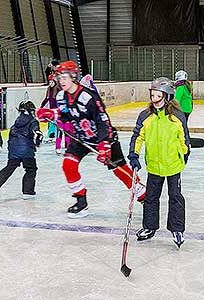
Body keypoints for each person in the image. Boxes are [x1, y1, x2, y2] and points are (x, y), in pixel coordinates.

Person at [36, 60, 146, 218]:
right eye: (59, 78)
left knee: (119, 170)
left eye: (64, 77)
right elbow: (66, 115)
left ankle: (143, 196)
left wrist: (104, 144)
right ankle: (81, 202)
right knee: (68, 164)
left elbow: (103, 121)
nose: (61, 81)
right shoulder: (61, 96)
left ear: (73, 77)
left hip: (103, 138)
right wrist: (51, 114)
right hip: (81, 138)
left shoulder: (88, 97)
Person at [128, 77, 190, 248]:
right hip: (154, 165)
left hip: (173, 165)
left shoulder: (177, 116)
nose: (154, 100)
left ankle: (177, 229)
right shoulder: (145, 116)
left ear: (168, 96)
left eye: (158, 96)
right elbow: (137, 136)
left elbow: (184, 139)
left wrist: (184, 156)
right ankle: (149, 226)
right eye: (152, 96)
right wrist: (134, 154)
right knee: (151, 197)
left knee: (175, 197)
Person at [0, 101, 43, 200]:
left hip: (14, 150)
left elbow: (11, 137)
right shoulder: (33, 121)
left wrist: (11, 151)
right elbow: (35, 131)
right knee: (31, 169)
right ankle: (28, 191)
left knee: (9, 169)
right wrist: (38, 137)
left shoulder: (16, 122)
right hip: (26, 151)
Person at [41, 74, 59, 144]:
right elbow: (46, 99)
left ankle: (55, 135)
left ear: (55, 82)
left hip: (56, 109)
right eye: (50, 82)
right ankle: (51, 134)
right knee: (51, 122)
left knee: (55, 123)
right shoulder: (49, 89)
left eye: (52, 82)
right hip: (51, 109)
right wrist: (41, 106)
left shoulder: (57, 89)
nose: (50, 84)